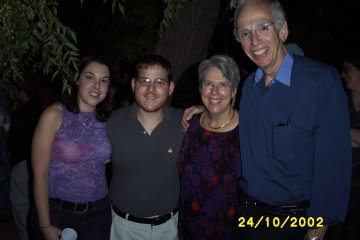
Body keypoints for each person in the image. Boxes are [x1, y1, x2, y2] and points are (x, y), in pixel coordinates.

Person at [183, 1, 351, 239]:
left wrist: (316, 231)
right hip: (247, 215)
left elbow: (334, 162)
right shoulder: (250, 87)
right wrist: (209, 109)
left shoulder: (320, 81)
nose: (254, 40)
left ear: (282, 30)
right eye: (245, 33)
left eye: (262, 27)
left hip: (295, 220)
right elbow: (241, 124)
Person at [30, 55, 115, 240]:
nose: (97, 86)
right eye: (90, 77)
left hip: (98, 213)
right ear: (77, 79)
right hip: (57, 211)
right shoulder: (54, 114)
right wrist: (45, 224)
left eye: (104, 81)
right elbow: (39, 174)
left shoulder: (108, 120)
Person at [106, 54, 183, 240]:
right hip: (122, 228)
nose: (151, 89)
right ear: (133, 85)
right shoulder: (111, 123)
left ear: (170, 87)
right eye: (144, 81)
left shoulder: (185, 122)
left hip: (170, 228)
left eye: (159, 82)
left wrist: (204, 110)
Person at [177, 55, 241, 240]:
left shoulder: (247, 131)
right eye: (208, 84)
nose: (214, 91)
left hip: (227, 232)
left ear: (234, 90)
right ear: (200, 88)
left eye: (222, 85)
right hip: (187, 227)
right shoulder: (190, 124)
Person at [325, 51, 360, 239]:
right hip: (342, 187)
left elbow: (335, 132)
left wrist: (340, 130)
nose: (342, 74)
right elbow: (327, 137)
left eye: (348, 69)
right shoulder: (341, 102)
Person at [8, 82, 45, 240]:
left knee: (22, 206)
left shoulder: (19, 113)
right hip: (44, 163)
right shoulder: (45, 107)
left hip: (23, 163)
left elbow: (10, 140)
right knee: (40, 205)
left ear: (20, 91)